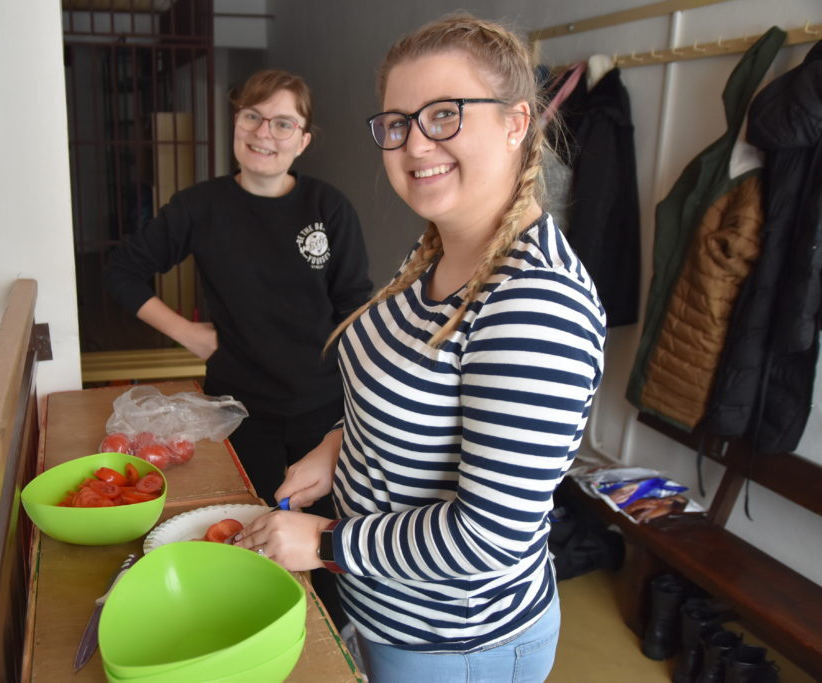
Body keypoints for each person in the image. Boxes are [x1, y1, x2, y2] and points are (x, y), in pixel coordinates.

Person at [233, 14, 606, 683]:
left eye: (444, 114)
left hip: (455, 643)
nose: (414, 144)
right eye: (397, 123)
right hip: (386, 611)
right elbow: (413, 393)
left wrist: (324, 543)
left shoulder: (534, 304)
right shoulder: (438, 248)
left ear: (516, 122)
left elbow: (487, 538)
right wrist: (339, 445)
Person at [104, 68, 371, 627]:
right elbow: (122, 269)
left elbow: (355, 309)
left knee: (325, 542)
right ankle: (255, 627)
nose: (264, 133)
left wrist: (359, 409)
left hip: (324, 410)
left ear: (303, 139)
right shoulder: (200, 206)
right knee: (248, 535)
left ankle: (331, 635)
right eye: (253, 116)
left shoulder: (328, 208)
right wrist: (188, 333)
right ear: (236, 123)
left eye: (282, 123)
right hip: (240, 411)